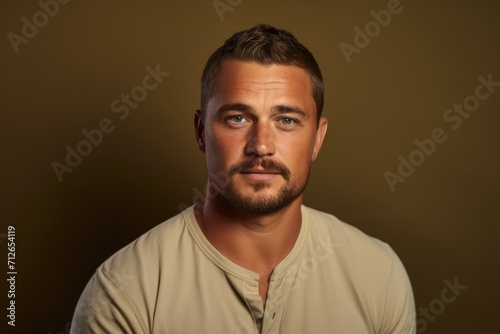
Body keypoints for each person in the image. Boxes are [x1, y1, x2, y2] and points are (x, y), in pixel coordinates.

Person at [70, 24, 416, 334]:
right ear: (201, 131)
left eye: (287, 121)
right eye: (237, 118)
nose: (261, 145)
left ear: (318, 138)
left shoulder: (378, 275)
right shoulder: (123, 290)